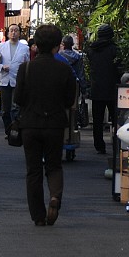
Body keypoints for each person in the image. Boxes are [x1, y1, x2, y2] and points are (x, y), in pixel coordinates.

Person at [13, 24, 76, 226]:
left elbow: (18, 98)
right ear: (57, 46)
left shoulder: (27, 68)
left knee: (33, 170)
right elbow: (69, 100)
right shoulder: (65, 69)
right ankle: (55, 196)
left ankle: (38, 216)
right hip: (55, 124)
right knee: (54, 165)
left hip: (30, 124)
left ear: (36, 45)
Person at [86, 23, 123, 155]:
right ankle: (116, 144)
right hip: (113, 89)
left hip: (97, 89)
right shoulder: (115, 50)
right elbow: (119, 68)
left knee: (97, 120)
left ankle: (99, 145)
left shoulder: (91, 50)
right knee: (116, 119)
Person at [0, 23, 30, 128]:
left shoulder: (24, 48)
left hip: (18, 80)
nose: (13, 32)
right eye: (11, 30)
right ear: (8, 33)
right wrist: (1, 67)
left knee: (16, 107)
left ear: (19, 33)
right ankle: (8, 129)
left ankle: (15, 128)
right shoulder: (1, 46)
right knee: (5, 109)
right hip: (5, 79)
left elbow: (27, 63)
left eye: (16, 30)